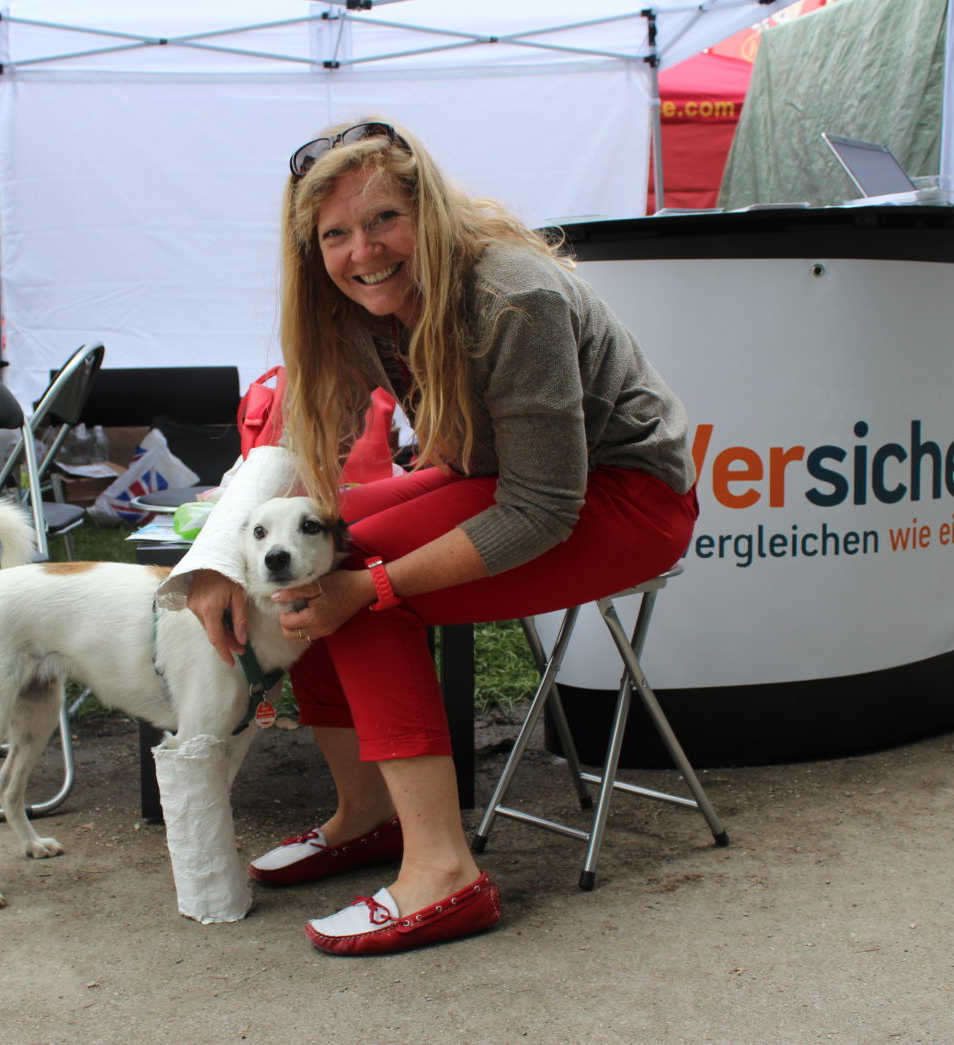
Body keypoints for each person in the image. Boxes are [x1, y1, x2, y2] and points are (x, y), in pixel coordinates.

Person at [158, 119, 698, 956]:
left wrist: (374, 586)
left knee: (358, 580)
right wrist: (219, 557)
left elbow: (544, 506)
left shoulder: (512, 296)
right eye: (336, 234)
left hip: (625, 496)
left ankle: (444, 872)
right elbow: (302, 443)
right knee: (314, 548)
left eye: (384, 219)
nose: (363, 250)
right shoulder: (352, 303)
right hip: (500, 477)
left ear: (429, 212)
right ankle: (368, 813)